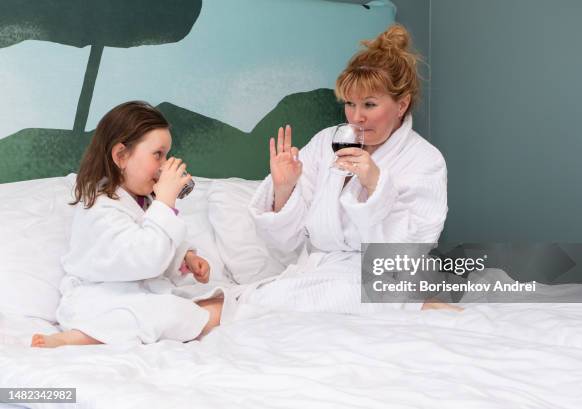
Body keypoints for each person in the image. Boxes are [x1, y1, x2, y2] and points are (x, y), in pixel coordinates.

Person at [241, 23, 461, 315]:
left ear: (401, 105)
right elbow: (286, 243)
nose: (356, 117)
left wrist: (376, 185)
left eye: (369, 104)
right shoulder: (325, 143)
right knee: (261, 298)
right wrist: (283, 189)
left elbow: (409, 251)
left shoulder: (425, 160)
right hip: (319, 274)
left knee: (253, 304)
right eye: (349, 103)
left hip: (382, 280)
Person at [31, 101, 223, 348]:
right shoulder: (100, 207)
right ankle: (75, 338)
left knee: (171, 308)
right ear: (121, 156)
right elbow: (145, 257)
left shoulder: (144, 200)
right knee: (168, 314)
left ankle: (93, 335)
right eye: (158, 155)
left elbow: (159, 236)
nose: (164, 164)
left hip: (132, 295)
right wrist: (165, 202)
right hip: (97, 295)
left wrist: (185, 256)